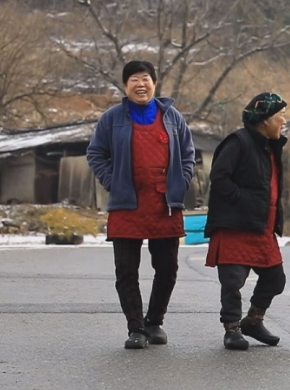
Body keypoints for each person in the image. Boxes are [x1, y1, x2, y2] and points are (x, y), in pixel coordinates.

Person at [87, 60, 195, 349]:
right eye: (133, 79)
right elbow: (96, 153)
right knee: (126, 270)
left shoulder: (173, 117)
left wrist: (181, 181)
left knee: (168, 268)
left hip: (165, 204)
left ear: (154, 83)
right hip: (126, 204)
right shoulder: (111, 119)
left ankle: (154, 321)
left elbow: (188, 155)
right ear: (125, 86)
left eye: (145, 78)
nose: (140, 84)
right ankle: (135, 328)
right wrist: (113, 181)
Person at [204, 92, 288, 351]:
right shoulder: (238, 142)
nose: (283, 121)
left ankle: (253, 321)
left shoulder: (270, 145)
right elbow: (219, 178)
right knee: (232, 281)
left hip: (261, 227)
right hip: (235, 225)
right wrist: (244, 201)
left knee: (275, 279)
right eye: (279, 117)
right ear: (264, 121)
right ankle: (232, 329)